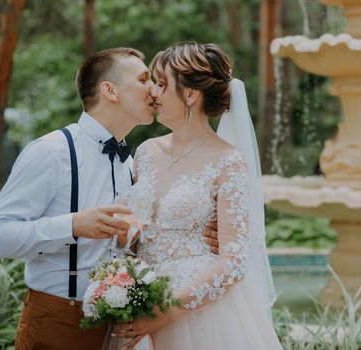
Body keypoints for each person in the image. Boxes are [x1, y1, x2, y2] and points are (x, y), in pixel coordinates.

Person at [0, 47, 218, 350]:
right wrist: (74, 225)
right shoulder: (52, 152)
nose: (154, 90)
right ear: (110, 90)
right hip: (58, 322)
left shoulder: (134, 165)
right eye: (144, 79)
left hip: (120, 325)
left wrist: (206, 237)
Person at [114, 42, 282, 350]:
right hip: (139, 301)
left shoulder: (228, 162)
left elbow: (233, 261)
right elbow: (135, 235)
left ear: (190, 95)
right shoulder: (146, 153)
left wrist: (165, 312)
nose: (153, 92)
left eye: (162, 84)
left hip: (198, 315)